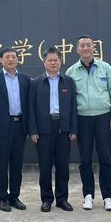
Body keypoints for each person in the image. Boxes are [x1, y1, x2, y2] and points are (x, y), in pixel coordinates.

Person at [65, 35, 111, 211]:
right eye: (82, 45)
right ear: (77, 49)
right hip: (82, 118)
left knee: (105, 157)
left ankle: (108, 197)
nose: (86, 48)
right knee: (85, 158)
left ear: (94, 48)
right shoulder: (71, 72)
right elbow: (69, 101)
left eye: (88, 45)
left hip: (103, 116)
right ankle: (88, 195)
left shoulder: (105, 67)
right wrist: (72, 124)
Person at [28, 47, 78, 212]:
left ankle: (62, 199)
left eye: (56, 60)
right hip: (44, 129)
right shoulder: (36, 83)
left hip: (63, 128)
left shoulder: (68, 82)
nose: (53, 63)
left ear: (60, 61)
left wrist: (73, 129)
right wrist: (33, 130)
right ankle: (46, 199)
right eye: (49, 60)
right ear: (44, 62)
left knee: (63, 166)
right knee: (45, 166)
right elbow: (31, 108)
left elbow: (73, 107)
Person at [0, 48, 31, 212]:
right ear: (1, 60)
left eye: (13, 57)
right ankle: (3, 197)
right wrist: (0, 118)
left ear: (18, 59)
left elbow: (29, 102)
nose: (11, 59)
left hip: (20, 125)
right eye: (7, 57)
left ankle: (15, 196)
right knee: (2, 164)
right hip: (3, 126)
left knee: (17, 163)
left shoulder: (25, 79)